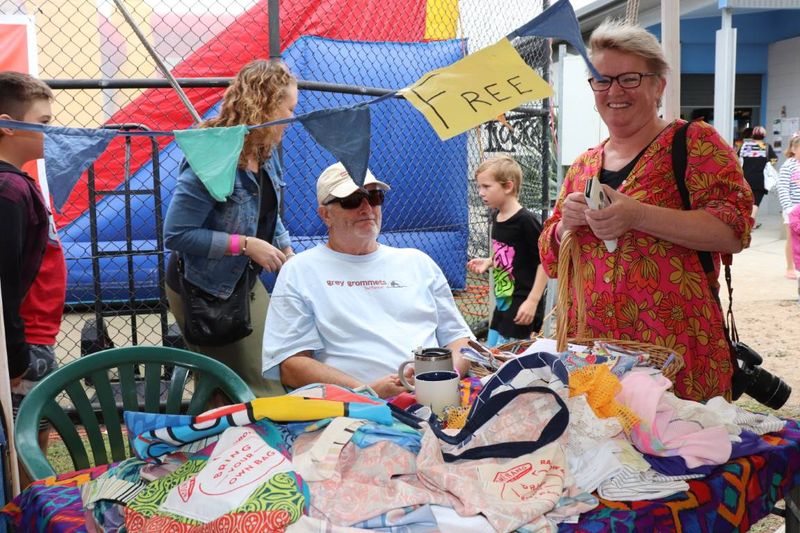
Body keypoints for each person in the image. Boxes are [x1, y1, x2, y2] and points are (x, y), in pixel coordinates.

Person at [538, 20, 753, 403]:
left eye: (630, 79)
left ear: (658, 86)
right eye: (602, 80)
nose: (614, 91)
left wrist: (637, 215)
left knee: (682, 454)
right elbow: (552, 259)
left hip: (676, 353)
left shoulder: (693, 143)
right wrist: (562, 228)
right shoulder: (584, 164)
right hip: (594, 353)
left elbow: (733, 229)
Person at [261, 162, 473, 399]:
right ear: (325, 214)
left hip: (435, 396)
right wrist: (367, 391)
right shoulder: (300, 270)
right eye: (352, 200)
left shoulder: (418, 262)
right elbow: (290, 365)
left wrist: (445, 376)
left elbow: (459, 340)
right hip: (353, 406)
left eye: (374, 197)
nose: (366, 208)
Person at [164, 59, 297, 398]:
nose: (293, 118)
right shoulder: (213, 157)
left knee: (270, 367)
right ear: (266, 106)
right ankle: (225, 444)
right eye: (289, 108)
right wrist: (246, 245)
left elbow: (266, 209)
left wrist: (286, 248)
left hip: (244, 280)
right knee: (231, 385)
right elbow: (176, 234)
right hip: (203, 288)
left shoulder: (264, 149)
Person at [0, 72, 63, 466]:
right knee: (24, 447)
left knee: (36, 431)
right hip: (22, 344)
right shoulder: (8, 191)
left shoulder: (20, 183)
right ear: (7, 126)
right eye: (43, 124)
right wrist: (17, 356)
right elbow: (4, 280)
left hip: (38, 337)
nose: (50, 132)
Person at [466, 155, 547, 346]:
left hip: (521, 304)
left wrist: (532, 301)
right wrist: (489, 261)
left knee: (509, 358)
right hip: (503, 302)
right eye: (479, 187)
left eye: (486, 186)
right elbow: (511, 252)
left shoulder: (526, 221)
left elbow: (545, 261)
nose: (480, 192)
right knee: (493, 352)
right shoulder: (497, 216)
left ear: (508, 186)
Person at [737, 125, 777, 227]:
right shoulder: (766, 147)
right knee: (755, 202)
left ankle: (744, 223)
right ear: (764, 135)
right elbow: (774, 160)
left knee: (745, 201)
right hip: (760, 179)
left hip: (745, 179)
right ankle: (750, 224)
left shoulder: (745, 146)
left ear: (753, 134)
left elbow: (736, 159)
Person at [777, 133, 800, 280]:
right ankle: (790, 267)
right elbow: (782, 188)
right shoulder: (788, 166)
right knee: (792, 238)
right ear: (793, 149)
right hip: (792, 210)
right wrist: (788, 208)